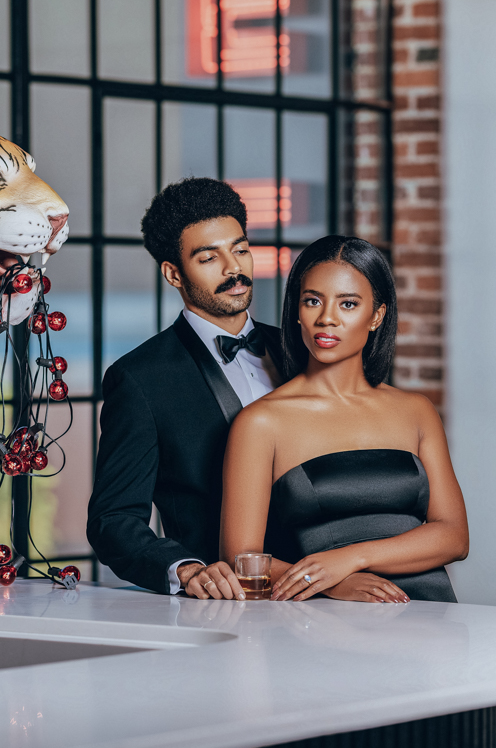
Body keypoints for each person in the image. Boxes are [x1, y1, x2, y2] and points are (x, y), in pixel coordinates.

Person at [221, 235, 468, 603]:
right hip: (328, 621)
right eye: (312, 301)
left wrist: (351, 560)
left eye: (348, 304)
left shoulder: (416, 411)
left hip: (433, 616)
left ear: (377, 316)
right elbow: (241, 560)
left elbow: (454, 536)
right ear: (297, 311)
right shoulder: (261, 422)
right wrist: (332, 584)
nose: (327, 319)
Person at [86, 177, 282, 596]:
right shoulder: (140, 379)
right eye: (209, 258)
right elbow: (113, 520)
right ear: (174, 273)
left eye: (241, 249)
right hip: (226, 603)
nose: (235, 269)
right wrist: (187, 571)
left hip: (334, 589)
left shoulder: (299, 351)